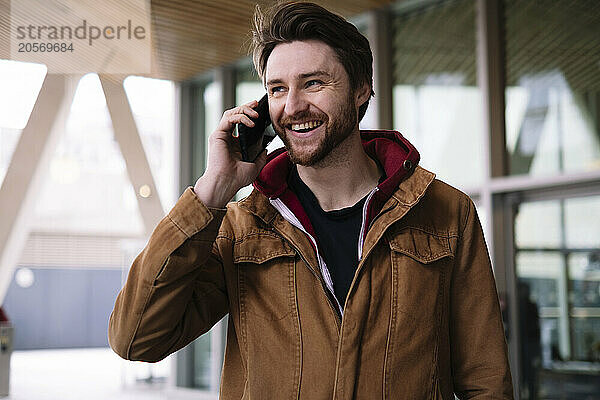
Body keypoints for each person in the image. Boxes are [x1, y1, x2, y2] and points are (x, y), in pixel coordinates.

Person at [108, 2, 513, 398]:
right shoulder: (242, 226)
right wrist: (212, 189)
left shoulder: (447, 212)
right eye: (277, 89)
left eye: (314, 83)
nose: (293, 105)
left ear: (360, 90)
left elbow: (486, 381)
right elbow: (137, 338)